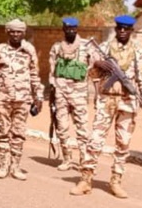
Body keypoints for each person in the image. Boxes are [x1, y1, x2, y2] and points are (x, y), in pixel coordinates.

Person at [71, 15, 142, 198]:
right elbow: (88, 72)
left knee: (123, 144)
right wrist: (97, 64)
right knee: (95, 141)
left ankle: (116, 181)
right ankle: (85, 180)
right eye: (120, 28)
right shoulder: (104, 47)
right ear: (116, 29)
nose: (122, 31)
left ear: (131, 30)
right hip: (106, 100)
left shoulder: (139, 51)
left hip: (128, 102)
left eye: (126, 28)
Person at [0, 19, 43, 181]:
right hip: (3, 97)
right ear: (7, 33)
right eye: (12, 32)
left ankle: (15, 166)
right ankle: (3, 165)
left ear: (23, 33)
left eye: (19, 32)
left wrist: (38, 96)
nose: (15, 34)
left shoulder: (29, 50)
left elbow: (34, 75)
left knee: (19, 132)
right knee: (4, 132)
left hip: (23, 99)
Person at [48, 17, 94, 171]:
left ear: (77, 29)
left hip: (79, 93)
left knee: (82, 127)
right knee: (62, 126)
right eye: (67, 28)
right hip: (61, 93)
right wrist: (53, 88)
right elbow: (52, 70)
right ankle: (67, 159)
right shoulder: (56, 47)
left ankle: (83, 160)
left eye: (73, 28)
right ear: (63, 29)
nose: (71, 31)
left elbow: (95, 65)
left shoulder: (87, 46)